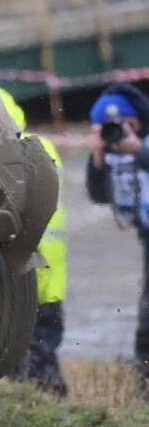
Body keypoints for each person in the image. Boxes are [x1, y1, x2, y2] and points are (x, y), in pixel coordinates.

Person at [0, 88, 68, 395]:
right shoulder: (44, 147)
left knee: (23, 363)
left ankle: (39, 413)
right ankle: (55, 413)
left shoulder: (4, 160)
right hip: (50, 282)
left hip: (21, 281)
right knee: (43, 357)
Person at [85, 82, 149, 392]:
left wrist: (139, 149)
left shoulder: (139, 144)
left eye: (124, 123)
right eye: (108, 126)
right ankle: (144, 388)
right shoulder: (111, 151)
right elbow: (98, 195)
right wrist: (97, 158)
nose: (118, 131)